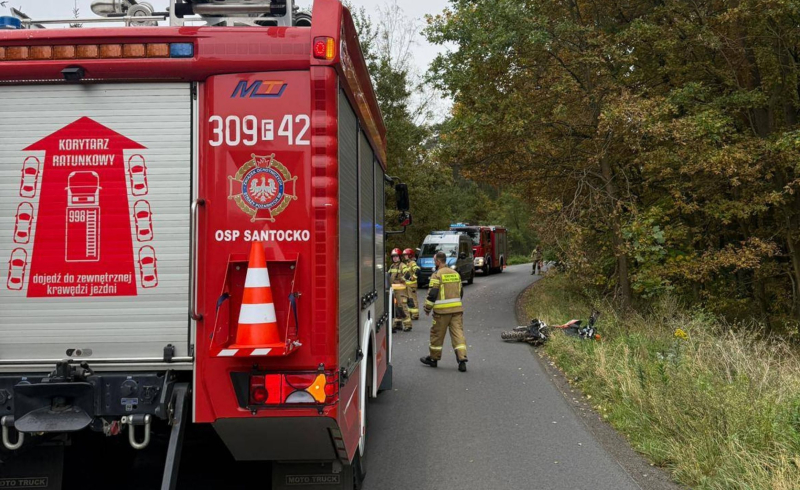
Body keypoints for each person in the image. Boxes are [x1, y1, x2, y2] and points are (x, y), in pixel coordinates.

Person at [420, 251, 468, 372]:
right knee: (458, 334)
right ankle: (462, 359)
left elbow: (432, 294)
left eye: (434, 260)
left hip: (441, 313)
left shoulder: (437, 275)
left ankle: (433, 359)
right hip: (457, 310)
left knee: (437, 335)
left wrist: (427, 308)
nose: (434, 262)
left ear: (438, 261)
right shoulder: (455, 274)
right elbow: (461, 292)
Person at [388, 248, 412, 332]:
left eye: (396, 256)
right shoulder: (392, 266)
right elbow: (388, 275)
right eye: (393, 257)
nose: (395, 258)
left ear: (399, 257)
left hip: (401, 291)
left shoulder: (402, 265)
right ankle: (398, 324)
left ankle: (408, 325)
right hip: (393, 290)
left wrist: (402, 279)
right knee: (396, 308)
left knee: (402, 307)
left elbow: (408, 273)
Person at [402, 248, 421, 321]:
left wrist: (413, 277)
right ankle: (411, 313)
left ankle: (415, 314)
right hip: (408, 285)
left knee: (413, 299)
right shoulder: (408, 263)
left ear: (410, 255)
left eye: (406, 255)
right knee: (409, 300)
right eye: (404, 255)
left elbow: (417, 270)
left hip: (412, 285)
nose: (405, 256)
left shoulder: (412, 263)